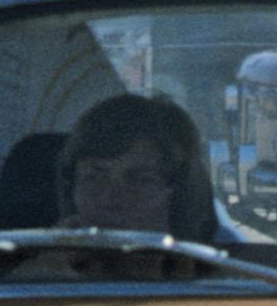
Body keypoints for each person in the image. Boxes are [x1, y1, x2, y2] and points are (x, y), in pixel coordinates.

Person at [57, 92, 220, 242]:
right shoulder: (48, 259)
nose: (110, 199)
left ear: (179, 194)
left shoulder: (220, 264)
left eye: (139, 181)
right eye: (93, 178)